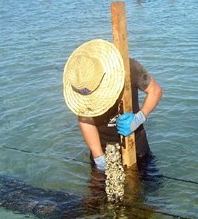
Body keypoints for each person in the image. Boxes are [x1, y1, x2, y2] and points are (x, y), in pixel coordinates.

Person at [63, 39, 163, 172]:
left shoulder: (129, 67)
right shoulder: (80, 80)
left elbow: (155, 91)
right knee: (100, 191)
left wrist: (139, 117)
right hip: (104, 149)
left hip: (136, 144)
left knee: (148, 188)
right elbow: (85, 119)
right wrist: (98, 157)